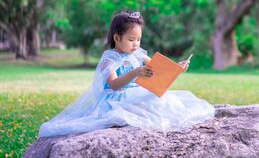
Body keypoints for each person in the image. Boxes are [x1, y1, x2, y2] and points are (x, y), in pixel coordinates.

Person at [39, 11, 215, 137]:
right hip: (116, 97)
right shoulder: (110, 59)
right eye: (131, 40)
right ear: (117, 38)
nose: (136, 44)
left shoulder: (138, 54)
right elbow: (114, 84)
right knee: (137, 108)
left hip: (135, 92)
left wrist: (177, 67)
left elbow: (158, 68)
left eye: (138, 39)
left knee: (163, 100)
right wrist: (135, 72)